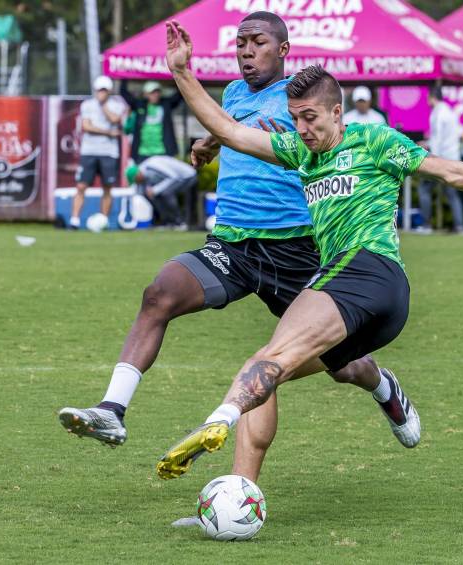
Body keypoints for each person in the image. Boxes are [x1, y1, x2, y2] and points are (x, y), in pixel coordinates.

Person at [156, 21, 463, 480]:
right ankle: (241, 493)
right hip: (361, 299)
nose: (301, 129)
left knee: (266, 363)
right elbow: (228, 130)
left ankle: (218, 421)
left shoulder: (374, 141)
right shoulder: (301, 154)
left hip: (370, 272)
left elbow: (453, 172)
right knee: (268, 369)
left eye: (311, 118)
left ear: (338, 113)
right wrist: (183, 72)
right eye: (295, 118)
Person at [58, 12, 409, 488]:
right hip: (234, 245)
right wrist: (207, 145)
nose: (245, 51)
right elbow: (230, 125)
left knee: (343, 366)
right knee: (159, 293)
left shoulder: (303, 102)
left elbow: (285, 138)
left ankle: (383, 387)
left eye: (257, 43)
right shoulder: (234, 94)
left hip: (296, 250)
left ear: (283, 51)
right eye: (240, 43)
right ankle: (111, 410)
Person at [69, 75, 126, 230]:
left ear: (109, 91)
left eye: (104, 90)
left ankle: (103, 220)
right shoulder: (87, 105)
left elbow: (115, 119)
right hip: (89, 151)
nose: (101, 93)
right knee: (81, 186)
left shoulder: (116, 105)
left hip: (109, 152)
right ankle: (74, 220)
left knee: (107, 187)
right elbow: (86, 127)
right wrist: (108, 132)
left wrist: (103, 106)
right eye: (99, 90)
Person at [415, 86, 463, 235]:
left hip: (441, 160)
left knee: (423, 189)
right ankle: (460, 226)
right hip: (453, 158)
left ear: (432, 97)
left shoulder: (437, 114)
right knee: (452, 195)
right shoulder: (449, 112)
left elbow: (437, 141)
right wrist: (428, 142)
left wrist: (430, 159)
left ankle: (426, 225)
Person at [126, 156, 196, 229]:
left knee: (165, 193)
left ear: (138, 175)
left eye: (136, 181)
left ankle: (179, 222)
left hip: (187, 176)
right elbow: (140, 192)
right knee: (152, 195)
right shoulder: (142, 173)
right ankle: (167, 221)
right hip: (174, 179)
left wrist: (155, 190)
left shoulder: (152, 166)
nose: (137, 183)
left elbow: (173, 177)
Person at [121, 80, 182, 162]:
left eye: (157, 92)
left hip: (162, 152)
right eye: (152, 92)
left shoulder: (166, 104)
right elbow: (124, 94)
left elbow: (179, 95)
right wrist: (123, 78)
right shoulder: (140, 104)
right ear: (146, 94)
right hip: (142, 153)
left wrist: (179, 77)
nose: (155, 95)